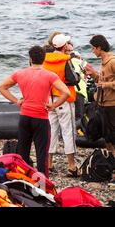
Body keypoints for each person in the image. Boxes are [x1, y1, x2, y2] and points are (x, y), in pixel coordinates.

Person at [0, 45, 70, 177]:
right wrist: (53, 105)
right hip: (41, 118)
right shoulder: (49, 75)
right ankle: (42, 186)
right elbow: (66, 92)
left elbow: (1, 87)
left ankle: (24, 182)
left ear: (30, 58)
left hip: (25, 117)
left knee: (23, 153)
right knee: (42, 155)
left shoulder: (20, 73)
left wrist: (16, 101)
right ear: (44, 59)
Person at [43, 33, 79, 177]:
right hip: (64, 99)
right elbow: (74, 79)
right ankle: (71, 166)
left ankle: (49, 163)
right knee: (68, 131)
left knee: (51, 131)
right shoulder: (66, 60)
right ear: (65, 46)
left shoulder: (45, 60)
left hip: (49, 100)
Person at [85, 35, 115, 167]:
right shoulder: (103, 62)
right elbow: (102, 81)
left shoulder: (112, 62)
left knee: (113, 137)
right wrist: (93, 74)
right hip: (103, 104)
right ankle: (112, 163)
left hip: (112, 105)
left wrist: (106, 85)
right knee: (107, 137)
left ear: (99, 47)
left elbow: (106, 84)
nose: (92, 51)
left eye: (93, 48)